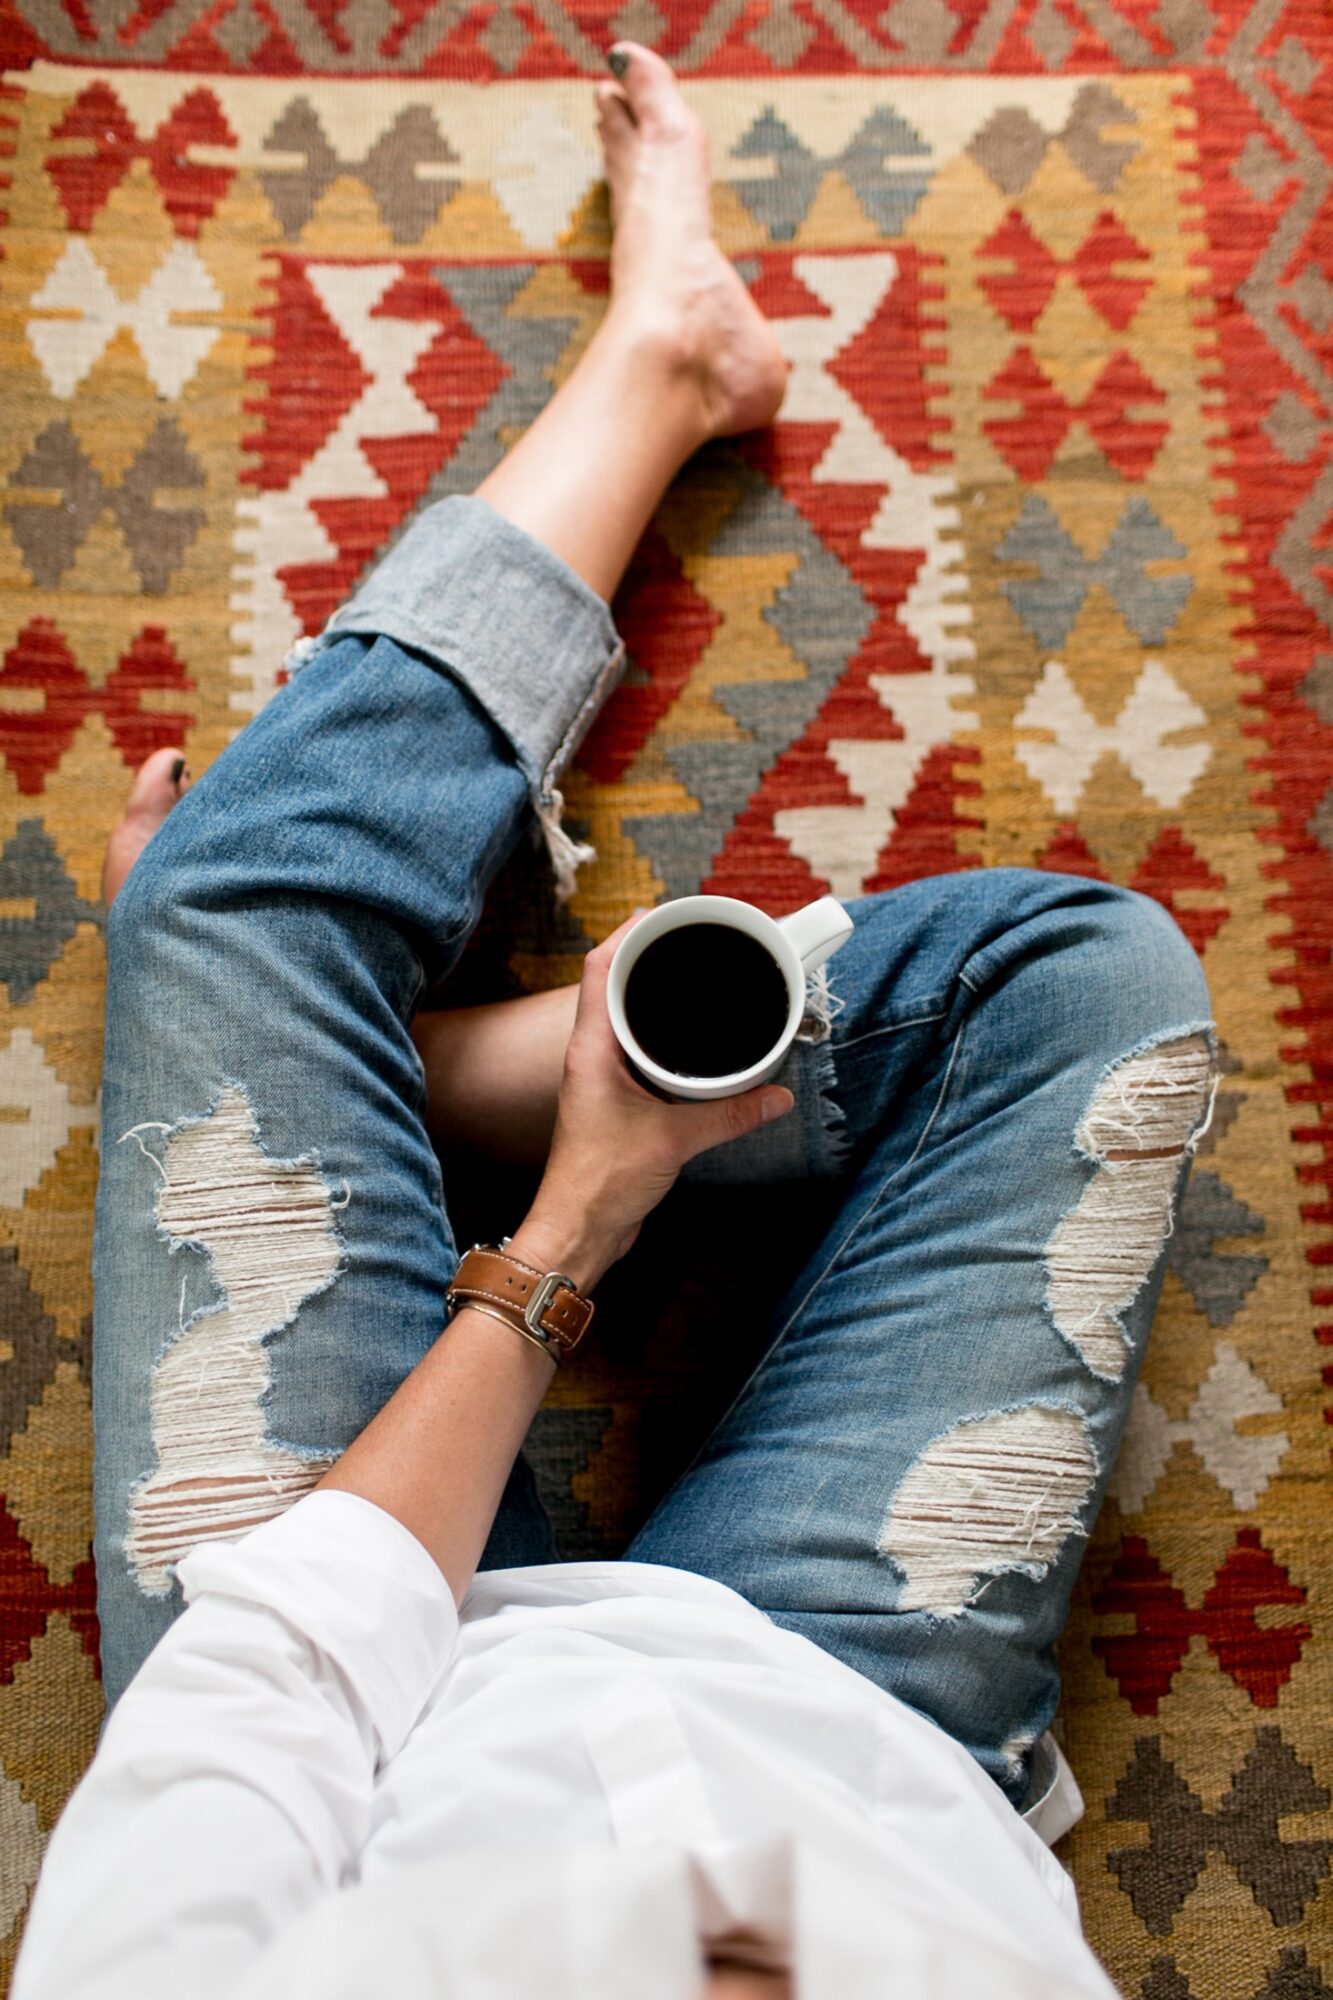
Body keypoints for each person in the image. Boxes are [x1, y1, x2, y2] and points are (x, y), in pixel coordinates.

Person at [14, 43, 1214, 2000]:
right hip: (858, 1722)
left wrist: (572, 1230)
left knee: (233, 898)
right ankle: (347, 1042)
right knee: (1085, 984)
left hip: (346, 1701)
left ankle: (659, 374)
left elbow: (278, 1670)